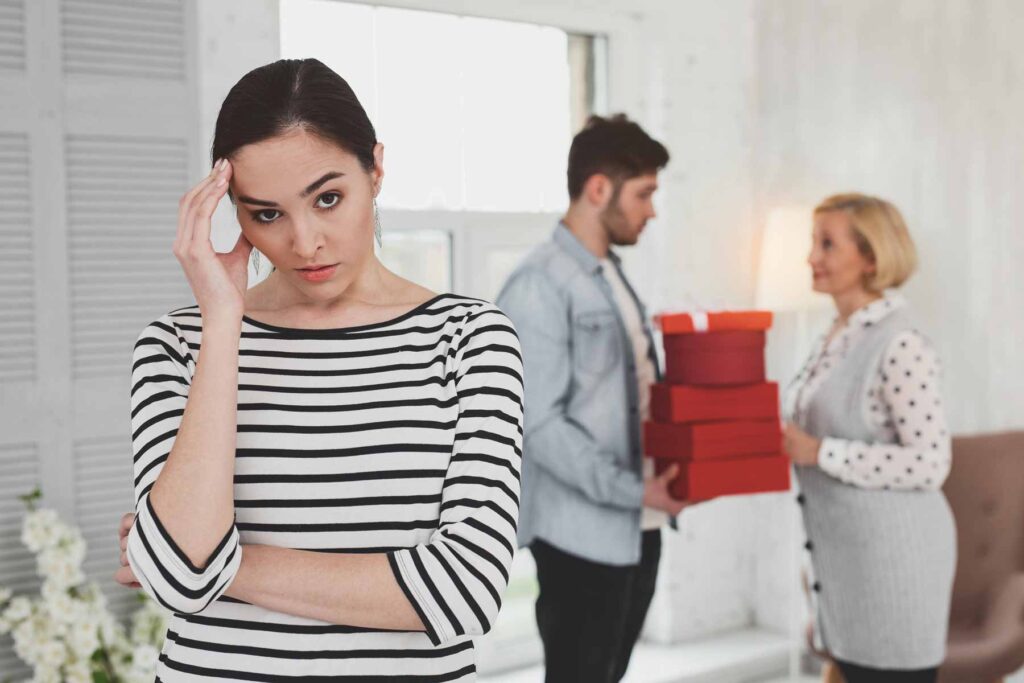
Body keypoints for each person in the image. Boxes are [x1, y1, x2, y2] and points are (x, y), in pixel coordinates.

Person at [113, 58, 524, 680]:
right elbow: (177, 571)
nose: (304, 243)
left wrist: (198, 565)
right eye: (266, 213)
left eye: (328, 199)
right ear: (231, 209)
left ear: (376, 169)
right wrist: (222, 325)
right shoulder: (177, 344)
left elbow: (465, 589)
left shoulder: (469, 339)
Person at [496, 114, 687, 683]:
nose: (652, 211)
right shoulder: (539, 283)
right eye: (644, 194)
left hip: (638, 523)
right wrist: (633, 489)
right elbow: (538, 424)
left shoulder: (609, 276)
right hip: (580, 537)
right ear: (599, 188)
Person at [782, 193, 955, 683]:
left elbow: (931, 462)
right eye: (813, 242)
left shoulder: (899, 343)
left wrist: (820, 452)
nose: (811, 257)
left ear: (871, 258)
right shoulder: (836, 334)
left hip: (895, 564)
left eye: (827, 244)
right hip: (845, 561)